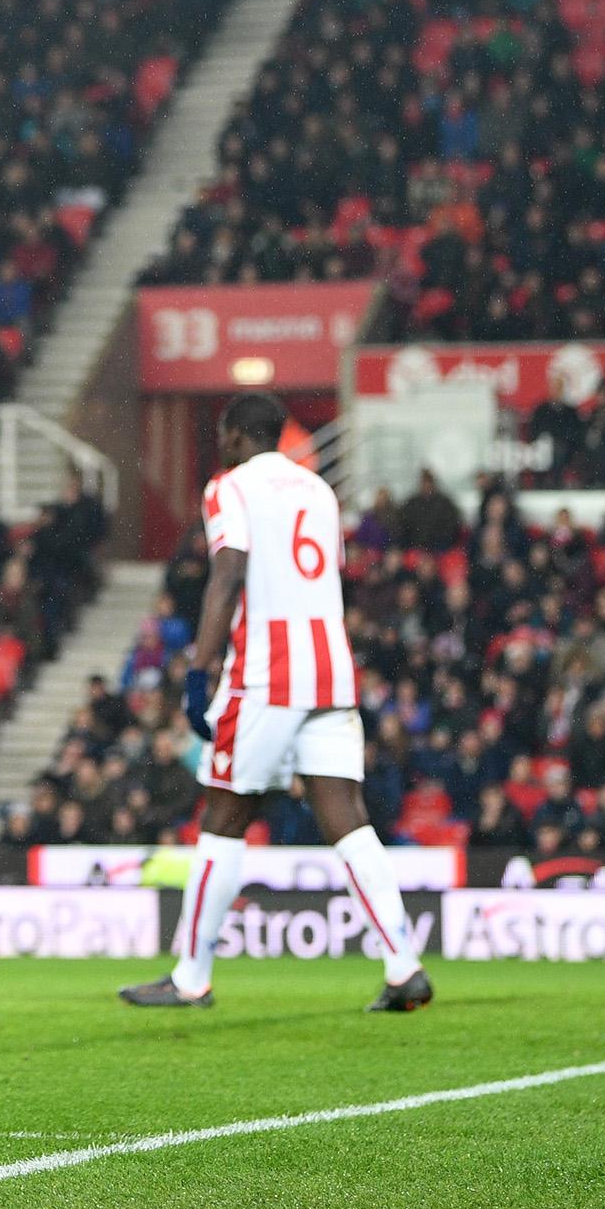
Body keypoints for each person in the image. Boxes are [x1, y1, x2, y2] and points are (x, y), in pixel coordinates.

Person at [122, 394, 432, 1015]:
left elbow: (228, 573)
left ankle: (190, 976)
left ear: (237, 434)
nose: (221, 444)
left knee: (224, 816)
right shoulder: (319, 490)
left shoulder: (228, 488)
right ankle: (405, 968)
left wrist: (198, 670)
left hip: (266, 674)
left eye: (223, 433)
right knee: (346, 814)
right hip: (331, 669)